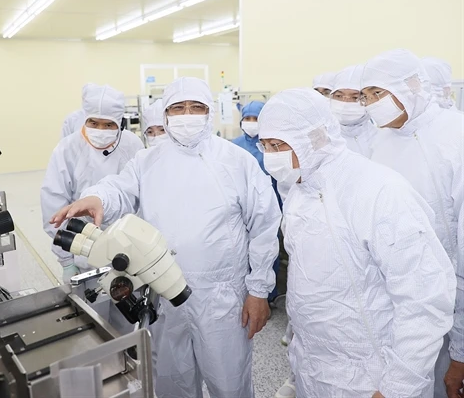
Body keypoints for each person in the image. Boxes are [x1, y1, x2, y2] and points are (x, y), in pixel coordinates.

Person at [50, 77, 282, 398]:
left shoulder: (236, 161)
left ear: (209, 112)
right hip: (162, 291)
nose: (187, 115)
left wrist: (258, 291)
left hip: (221, 298)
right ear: (166, 114)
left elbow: (264, 226)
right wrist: (98, 198)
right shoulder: (148, 161)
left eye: (196, 107)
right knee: (173, 383)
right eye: (178, 108)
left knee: (229, 384)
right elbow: (119, 187)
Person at [258, 87, 455, 398]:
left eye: (279, 144)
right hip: (315, 367)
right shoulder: (299, 191)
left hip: (371, 375)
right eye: (265, 145)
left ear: (315, 138)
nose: (271, 156)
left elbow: (423, 297)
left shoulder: (377, 190)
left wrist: (398, 386)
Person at [361, 48, 464, 398]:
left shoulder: (455, 135)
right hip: (398, 298)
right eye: (366, 96)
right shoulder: (379, 142)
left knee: (449, 382)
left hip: (452, 297)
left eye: (380, 93)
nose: (372, 103)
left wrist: (461, 349)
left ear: (411, 87)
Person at [41, 83, 144, 282]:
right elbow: (53, 206)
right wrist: (66, 261)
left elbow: (142, 194)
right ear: (84, 119)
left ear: (119, 123)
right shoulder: (67, 149)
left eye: (108, 125)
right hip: (83, 247)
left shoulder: (132, 145)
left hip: (129, 246)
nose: (100, 130)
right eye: (94, 123)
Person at [232, 100, 281, 303]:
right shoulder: (233, 146)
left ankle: (268, 295)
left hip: (272, 205)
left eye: (256, 119)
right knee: (245, 250)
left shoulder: (273, 145)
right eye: (247, 119)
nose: (251, 123)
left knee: (269, 249)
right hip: (243, 207)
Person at [329, 64, 379, 158]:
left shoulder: (380, 137)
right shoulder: (323, 139)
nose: (345, 103)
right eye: (339, 96)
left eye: (355, 97)